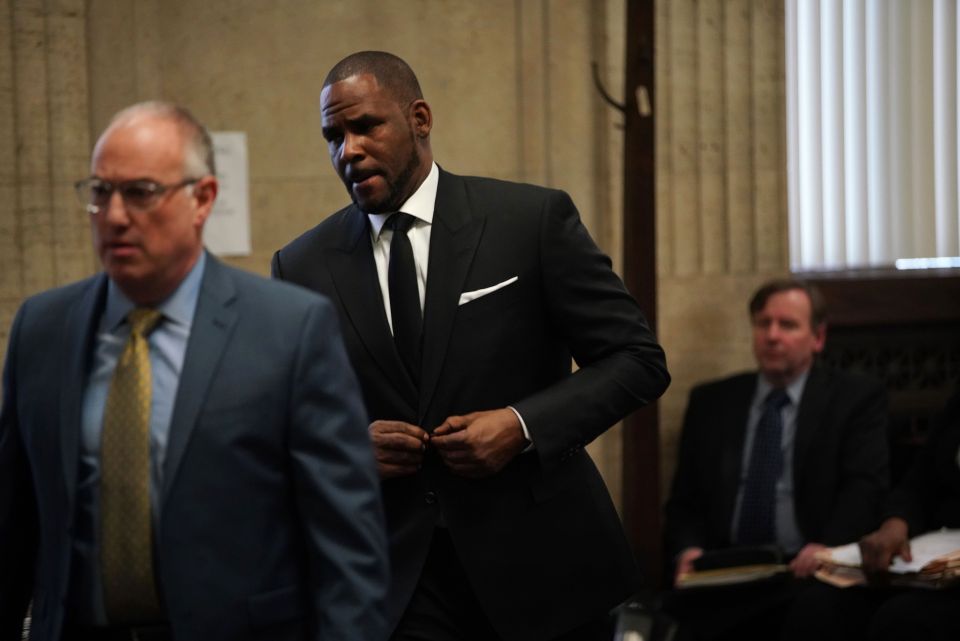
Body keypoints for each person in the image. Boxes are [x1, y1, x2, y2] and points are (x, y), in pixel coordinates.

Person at [271, 51, 670, 641]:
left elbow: (637, 360)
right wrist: (345, 448)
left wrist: (521, 424)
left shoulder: (528, 220)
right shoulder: (302, 265)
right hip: (395, 580)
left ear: (420, 119)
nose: (347, 151)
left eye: (365, 127)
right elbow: (284, 420)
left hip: (542, 562)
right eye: (333, 135)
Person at [0, 102, 389, 641]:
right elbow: (14, 529)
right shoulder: (41, 330)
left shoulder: (287, 332)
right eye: (100, 192)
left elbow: (349, 550)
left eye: (140, 193)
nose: (114, 216)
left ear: (202, 199)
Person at [662, 278, 889, 641]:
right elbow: (684, 499)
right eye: (763, 323)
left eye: (788, 325)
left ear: (818, 338)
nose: (772, 335)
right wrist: (688, 550)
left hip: (807, 566)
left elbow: (864, 486)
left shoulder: (855, 400)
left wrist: (829, 547)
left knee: (815, 616)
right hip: (726, 566)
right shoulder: (712, 403)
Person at [784, 389, 960, 641]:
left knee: (906, 621)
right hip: (934, 562)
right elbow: (919, 483)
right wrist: (894, 525)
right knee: (821, 605)